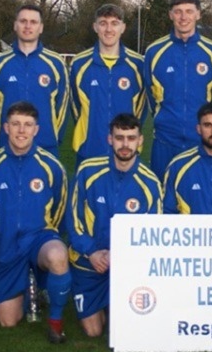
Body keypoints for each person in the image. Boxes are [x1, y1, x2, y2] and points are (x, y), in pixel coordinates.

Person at [0, 101, 71, 342]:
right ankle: (26, 285)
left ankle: (55, 322)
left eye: (28, 125)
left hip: (39, 238)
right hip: (7, 248)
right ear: (6, 128)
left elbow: (60, 209)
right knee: (8, 321)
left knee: (58, 255)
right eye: (16, 124)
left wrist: (50, 235)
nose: (22, 130)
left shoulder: (52, 166)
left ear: (36, 130)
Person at [68, 113, 162, 337]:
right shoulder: (88, 171)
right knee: (93, 332)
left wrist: (120, 256)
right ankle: (105, 303)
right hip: (88, 264)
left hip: (127, 266)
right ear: (110, 139)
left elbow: (153, 234)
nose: (125, 144)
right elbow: (73, 221)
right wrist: (91, 252)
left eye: (131, 138)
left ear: (140, 141)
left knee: (127, 329)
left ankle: (116, 303)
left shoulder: (150, 183)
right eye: (119, 138)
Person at [144, 0, 212, 180]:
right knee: (164, 201)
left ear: (198, 14)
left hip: (201, 142)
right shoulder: (154, 52)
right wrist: (164, 121)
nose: (183, 17)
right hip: (165, 142)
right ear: (170, 15)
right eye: (178, 11)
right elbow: (150, 94)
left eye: (189, 11)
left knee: (200, 202)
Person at [0, 4, 69, 155]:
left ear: (41, 27)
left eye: (33, 22)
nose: (27, 26)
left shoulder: (56, 63)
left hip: (45, 146)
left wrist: (53, 138)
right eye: (23, 21)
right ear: (15, 25)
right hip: (6, 145)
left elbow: (62, 107)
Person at [70, 4, 146, 165]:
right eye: (103, 23)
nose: (109, 29)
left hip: (126, 152)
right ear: (95, 27)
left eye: (114, 23)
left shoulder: (137, 65)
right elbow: (75, 107)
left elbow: (141, 109)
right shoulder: (80, 64)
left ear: (123, 27)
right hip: (89, 150)